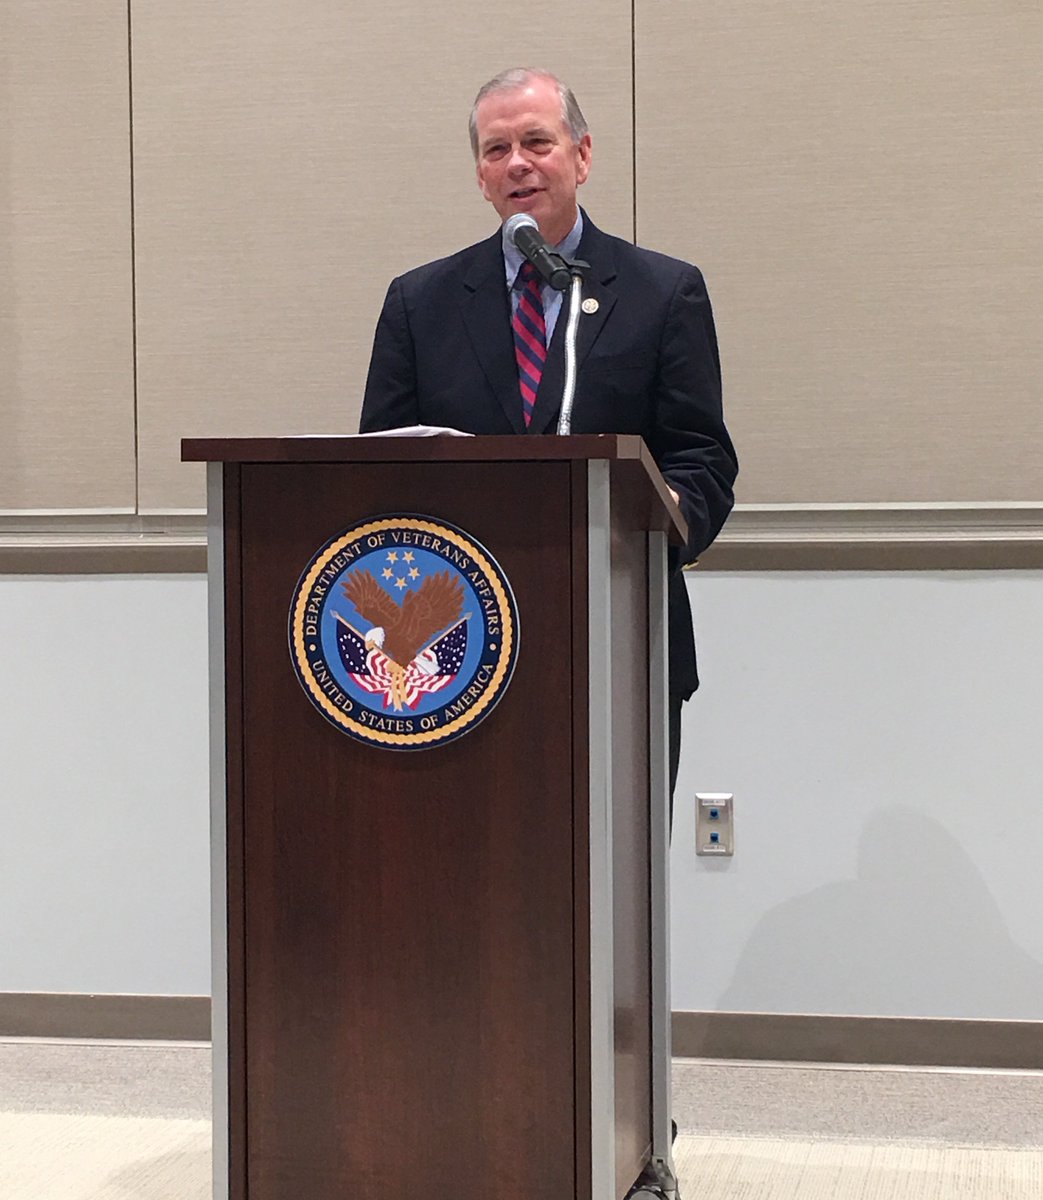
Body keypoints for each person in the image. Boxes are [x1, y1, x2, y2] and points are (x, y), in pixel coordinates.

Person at [360, 66, 737, 802]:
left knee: (615, 857)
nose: (518, 164)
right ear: (480, 175)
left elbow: (701, 456)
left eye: (537, 142)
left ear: (582, 156)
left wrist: (657, 528)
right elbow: (380, 469)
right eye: (496, 150)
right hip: (455, 649)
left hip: (623, 634)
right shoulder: (420, 304)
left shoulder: (662, 293)